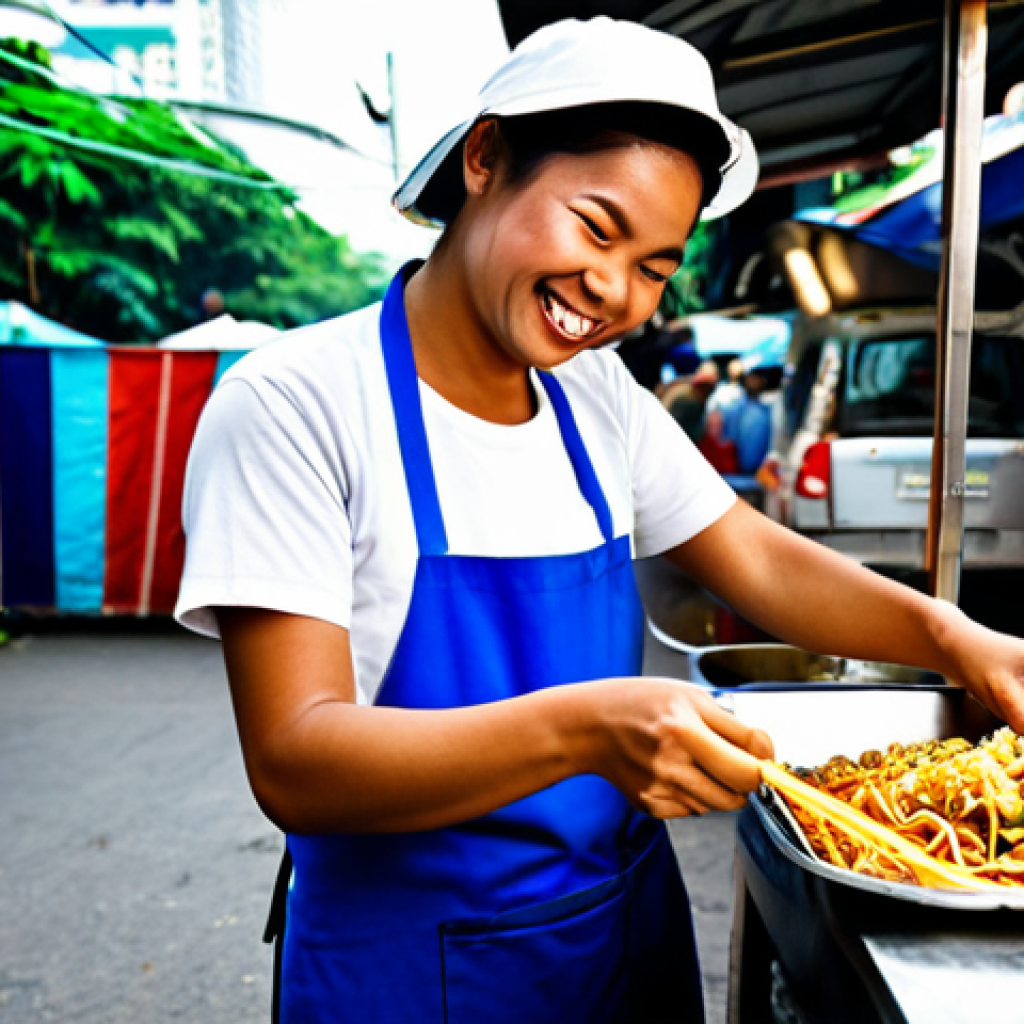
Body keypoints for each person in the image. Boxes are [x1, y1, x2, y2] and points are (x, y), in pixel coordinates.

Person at [175, 18, 1024, 1024]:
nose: (614, 292)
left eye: (657, 267)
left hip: (619, 938)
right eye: (595, 227)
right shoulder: (295, 402)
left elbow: (754, 557)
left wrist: (956, 639)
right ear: (484, 156)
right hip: (409, 969)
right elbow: (296, 758)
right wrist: (589, 725)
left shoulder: (596, 397)